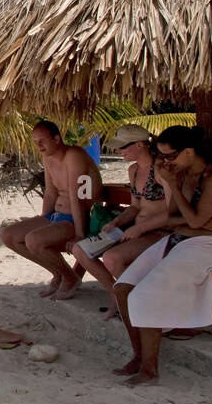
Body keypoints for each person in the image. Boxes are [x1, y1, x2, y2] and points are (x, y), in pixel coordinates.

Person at [114, 125, 212, 386]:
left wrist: (175, 194)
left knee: (145, 294)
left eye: (170, 156)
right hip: (180, 239)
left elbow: (194, 219)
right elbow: (174, 218)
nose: (165, 162)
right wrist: (185, 220)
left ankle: (150, 370)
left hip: (207, 245)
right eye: (163, 157)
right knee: (123, 287)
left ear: (189, 152)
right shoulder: (181, 175)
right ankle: (138, 355)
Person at [71, 124, 172, 320]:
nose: (119, 150)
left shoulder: (161, 170)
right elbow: (135, 207)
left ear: (141, 145)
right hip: (136, 229)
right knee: (80, 250)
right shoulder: (134, 170)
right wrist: (116, 222)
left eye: (124, 146)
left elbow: (174, 211)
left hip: (161, 231)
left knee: (112, 258)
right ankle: (117, 295)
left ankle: (134, 300)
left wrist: (141, 227)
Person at [0, 120, 103, 300]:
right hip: (57, 216)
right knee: (9, 236)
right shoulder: (48, 157)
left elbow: (76, 197)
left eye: (42, 140)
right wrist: (44, 221)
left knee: (33, 240)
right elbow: (50, 193)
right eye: (35, 141)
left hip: (79, 219)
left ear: (56, 139)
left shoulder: (73, 155)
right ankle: (59, 273)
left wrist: (79, 234)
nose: (38, 145)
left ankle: (70, 278)